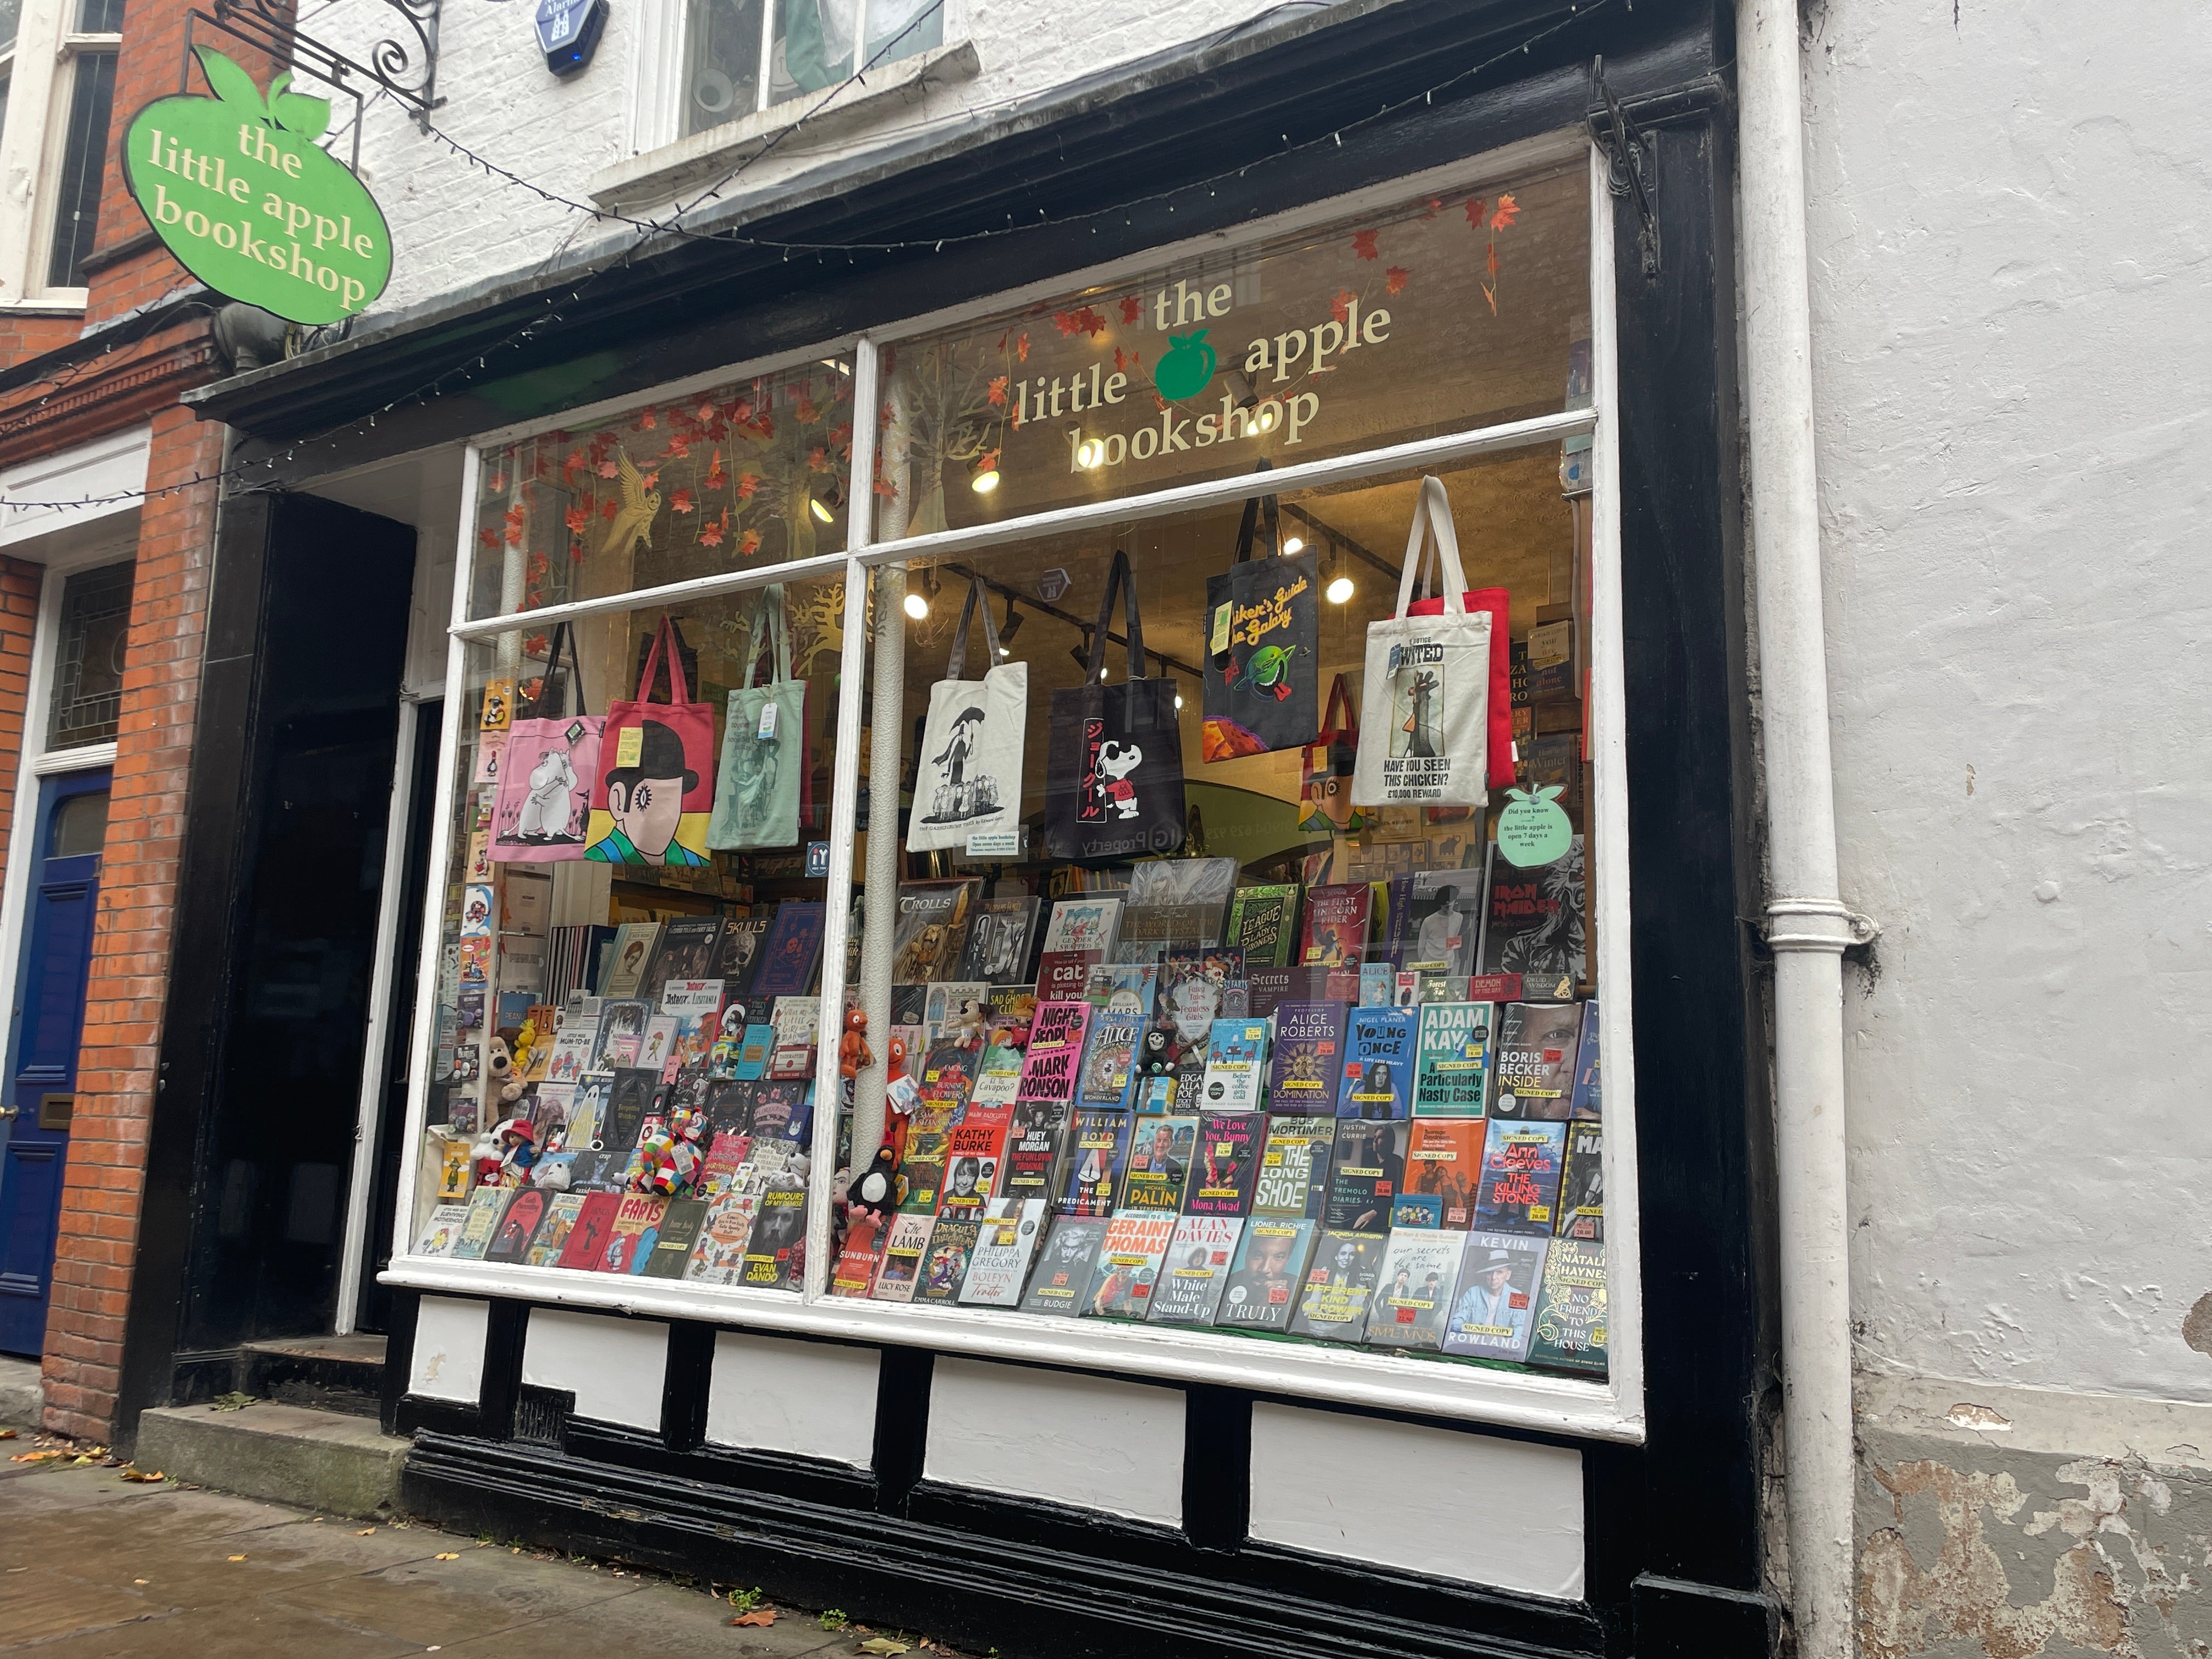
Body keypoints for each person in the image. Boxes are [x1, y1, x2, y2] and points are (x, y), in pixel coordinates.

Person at [589, 719, 708, 866]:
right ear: (619, 802)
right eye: (646, 799)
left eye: (673, 801)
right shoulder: (603, 851)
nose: (662, 817)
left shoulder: (691, 857)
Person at [1451, 1248, 1533, 1347]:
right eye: (1489, 1272)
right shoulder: (1472, 1293)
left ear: (1508, 1275)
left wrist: (1504, 1342)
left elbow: (1521, 1329)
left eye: (1499, 1272)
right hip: (1472, 1345)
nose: (1494, 1278)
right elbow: (1455, 1322)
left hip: (1502, 1349)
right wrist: (1473, 1332)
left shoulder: (1518, 1296)